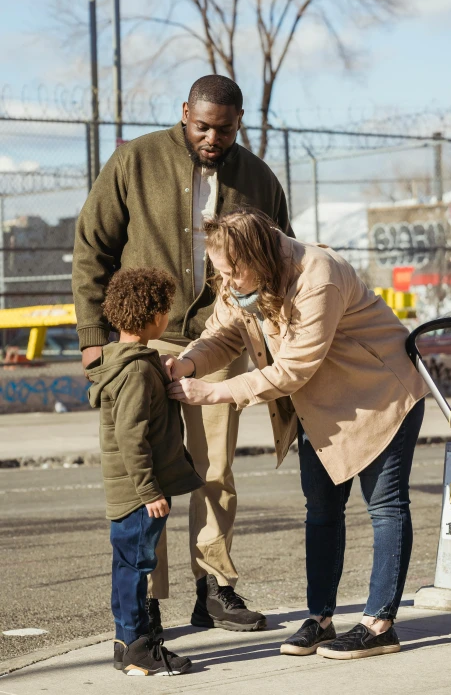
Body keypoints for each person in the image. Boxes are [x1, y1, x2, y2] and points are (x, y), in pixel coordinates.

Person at [73, 74, 293, 633]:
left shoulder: (258, 178)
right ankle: (146, 598)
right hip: (140, 341)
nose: (211, 138)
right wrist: (92, 337)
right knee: (143, 468)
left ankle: (215, 589)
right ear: (184, 114)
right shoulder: (136, 161)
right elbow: (92, 247)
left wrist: (273, 337)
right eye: (201, 126)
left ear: (238, 121)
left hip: (220, 339)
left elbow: (281, 257)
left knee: (214, 470)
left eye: (223, 128)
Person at [165, 209, 428, 661]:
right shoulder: (245, 279)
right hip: (322, 408)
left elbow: (293, 368)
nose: (226, 283)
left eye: (231, 272)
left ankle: (379, 623)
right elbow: (223, 336)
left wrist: (212, 392)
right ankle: (321, 619)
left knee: (384, 506)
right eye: (219, 273)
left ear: (259, 255)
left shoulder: (318, 276)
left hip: (381, 395)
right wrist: (187, 363)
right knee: (322, 510)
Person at [86, 267, 203, 675]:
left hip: (129, 490)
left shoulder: (123, 361)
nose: (168, 316)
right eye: (166, 309)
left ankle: (125, 644)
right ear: (152, 317)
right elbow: (131, 436)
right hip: (141, 493)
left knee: (127, 566)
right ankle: (139, 647)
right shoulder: (136, 370)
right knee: (137, 568)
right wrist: (151, 491)